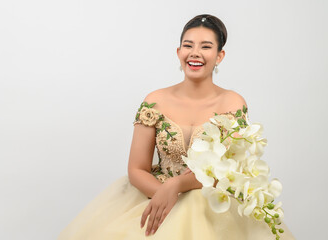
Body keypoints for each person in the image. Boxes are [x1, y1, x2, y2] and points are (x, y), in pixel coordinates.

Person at [57, 14, 296, 240]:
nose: (195, 53)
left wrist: (178, 185)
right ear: (178, 51)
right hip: (155, 194)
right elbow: (136, 168)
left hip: (212, 203)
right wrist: (165, 194)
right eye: (188, 45)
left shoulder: (232, 103)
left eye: (205, 46)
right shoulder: (155, 100)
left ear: (219, 55)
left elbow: (228, 170)